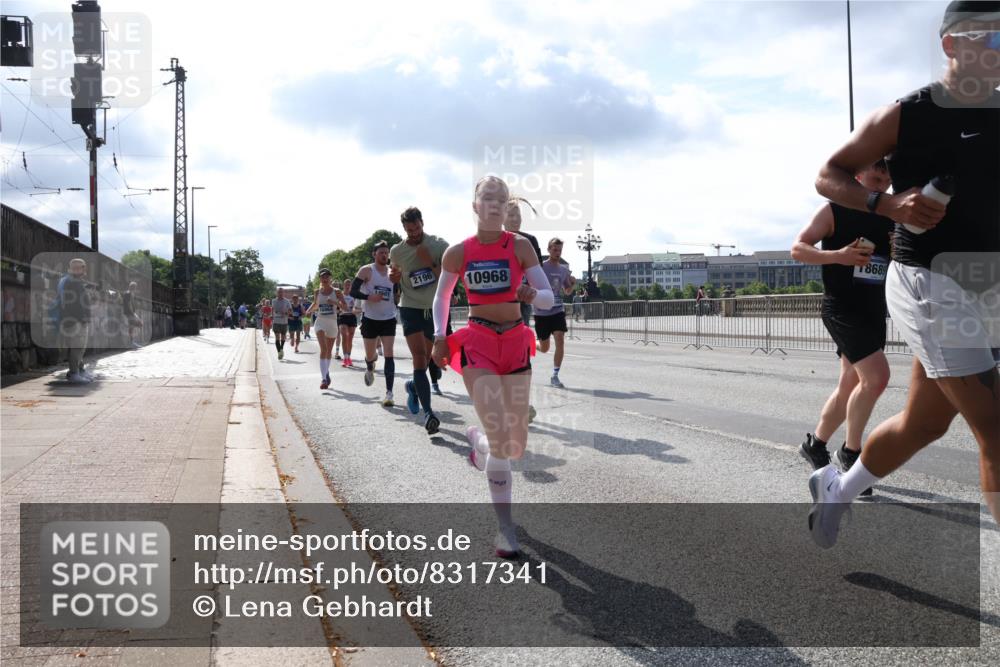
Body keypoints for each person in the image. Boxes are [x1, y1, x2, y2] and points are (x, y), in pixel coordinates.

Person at [808, 0, 1000, 548]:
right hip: (931, 282)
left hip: (986, 284)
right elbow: (828, 174)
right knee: (995, 429)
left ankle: (838, 489)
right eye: (991, 38)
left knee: (925, 423)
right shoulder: (909, 114)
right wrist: (887, 204)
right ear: (951, 45)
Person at [431, 175, 555, 558]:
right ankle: (505, 529)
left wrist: (533, 295)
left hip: (516, 342)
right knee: (502, 435)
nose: (495, 204)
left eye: (501, 199)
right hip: (478, 343)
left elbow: (548, 299)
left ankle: (479, 443)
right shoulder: (458, 252)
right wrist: (439, 335)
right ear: (475, 206)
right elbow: (442, 297)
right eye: (488, 198)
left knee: (513, 446)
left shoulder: (519, 246)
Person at [793, 160, 895, 498]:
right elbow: (798, 249)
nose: (882, 182)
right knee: (877, 378)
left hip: (873, 310)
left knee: (850, 383)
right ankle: (851, 453)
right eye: (875, 175)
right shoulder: (833, 211)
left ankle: (815, 444)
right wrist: (839, 255)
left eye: (887, 177)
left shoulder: (890, 216)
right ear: (857, 175)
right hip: (841, 308)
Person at [390, 206, 449, 434]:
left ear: (422, 223)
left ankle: (413, 387)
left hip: (434, 309)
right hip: (410, 307)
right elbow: (395, 275)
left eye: (416, 228)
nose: (414, 233)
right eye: (409, 230)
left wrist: (429, 262)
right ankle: (429, 414)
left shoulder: (438, 245)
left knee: (430, 361)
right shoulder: (397, 251)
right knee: (419, 357)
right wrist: (393, 277)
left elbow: (447, 278)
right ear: (404, 228)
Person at [351, 241, 400, 407]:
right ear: (374, 254)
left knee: (389, 354)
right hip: (370, 318)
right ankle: (370, 365)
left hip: (389, 318)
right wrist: (368, 297)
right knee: (370, 355)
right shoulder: (366, 270)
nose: (385, 255)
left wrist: (398, 297)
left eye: (386, 253)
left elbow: (396, 292)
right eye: (381, 253)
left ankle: (389, 393)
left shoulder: (393, 271)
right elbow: (353, 291)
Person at [534, 238, 576, 388]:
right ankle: (531, 344)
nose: (558, 253)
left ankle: (555, 375)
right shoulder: (540, 267)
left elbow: (567, 291)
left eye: (560, 250)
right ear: (549, 250)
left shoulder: (563, 270)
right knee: (544, 348)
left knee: (560, 339)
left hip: (557, 311)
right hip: (541, 312)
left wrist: (572, 283)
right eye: (555, 250)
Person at [54, 258, 95, 384]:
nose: (80, 269)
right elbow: (74, 303)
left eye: (81, 267)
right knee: (77, 348)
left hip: (74, 320)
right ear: (71, 269)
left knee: (79, 348)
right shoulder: (72, 282)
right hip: (75, 321)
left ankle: (80, 370)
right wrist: (82, 318)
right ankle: (74, 373)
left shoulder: (71, 281)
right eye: (76, 267)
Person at [307, 269, 347, 390]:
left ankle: (326, 371)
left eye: (327, 277)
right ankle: (324, 379)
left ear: (330, 279)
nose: (324, 279)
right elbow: (316, 304)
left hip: (332, 323)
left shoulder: (337, 292)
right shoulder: (317, 291)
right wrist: (309, 311)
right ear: (320, 279)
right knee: (323, 349)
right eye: (322, 277)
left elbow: (345, 307)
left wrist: (334, 302)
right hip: (320, 322)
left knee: (329, 351)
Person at [337, 278, 358, 367]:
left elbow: (357, 307)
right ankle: (345, 358)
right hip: (343, 317)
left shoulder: (353, 295)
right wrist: (339, 309)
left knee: (350, 338)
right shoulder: (340, 295)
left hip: (352, 317)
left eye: (349, 284)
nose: (348, 286)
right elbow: (336, 306)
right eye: (346, 284)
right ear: (343, 285)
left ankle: (348, 357)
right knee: (344, 336)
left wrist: (355, 310)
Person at [271, 288, 292, 360]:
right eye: (279, 292)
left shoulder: (287, 301)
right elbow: (273, 309)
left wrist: (286, 313)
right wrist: (272, 316)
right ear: (276, 293)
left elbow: (290, 310)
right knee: (277, 337)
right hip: (276, 321)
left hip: (284, 322)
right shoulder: (273, 301)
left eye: (281, 292)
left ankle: (281, 349)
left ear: (283, 293)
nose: (280, 293)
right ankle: (279, 352)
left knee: (283, 337)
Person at [122, 281, 142, 348]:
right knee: (133, 326)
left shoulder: (129, 293)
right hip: (129, 313)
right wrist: (133, 313)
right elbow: (129, 304)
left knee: (134, 326)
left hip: (130, 312)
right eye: (135, 287)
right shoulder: (128, 293)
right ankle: (132, 343)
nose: (135, 288)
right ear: (132, 287)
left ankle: (132, 342)